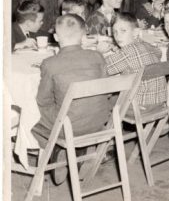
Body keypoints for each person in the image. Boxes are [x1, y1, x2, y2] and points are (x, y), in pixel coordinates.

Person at [32, 14, 110, 149]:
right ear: (83, 36)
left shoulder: (50, 63)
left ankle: (49, 153)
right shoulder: (97, 56)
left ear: (55, 37)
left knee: (27, 115)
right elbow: (107, 93)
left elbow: (43, 100)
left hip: (67, 127)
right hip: (100, 121)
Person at [102, 12, 166, 108]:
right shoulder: (146, 44)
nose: (118, 36)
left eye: (123, 31)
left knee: (104, 102)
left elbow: (102, 69)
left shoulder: (126, 52)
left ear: (135, 32)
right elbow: (159, 53)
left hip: (140, 105)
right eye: (115, 32)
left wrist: (99, 53)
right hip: (160, 102)